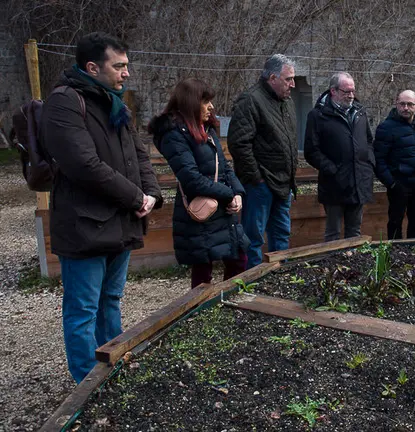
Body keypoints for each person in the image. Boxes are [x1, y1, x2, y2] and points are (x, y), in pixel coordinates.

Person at [40, 32, 162, 383]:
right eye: (119, 66)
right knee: (82, 310)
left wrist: (151, 192)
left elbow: (138, 153)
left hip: (118, 224)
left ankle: (113, 364)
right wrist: (135, 197)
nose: (127, 73)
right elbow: (84, 165)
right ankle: (86, 382)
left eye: (127, 66)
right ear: (92, 67)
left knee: (110, 300)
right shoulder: (64, 102)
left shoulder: (114, 102)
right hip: (84, 226)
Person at [148, 79, 249, 288]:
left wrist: (237, 192)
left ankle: (229, 304)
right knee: (203, 272)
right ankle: (201, 312)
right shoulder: (173, 135)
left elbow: (225, 167)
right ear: (190, 103)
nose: (211, 106)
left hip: (222, 210)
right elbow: (191, 179)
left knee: (239, 259)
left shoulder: (207, 130)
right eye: (205, 101)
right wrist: (228, 194)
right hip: (202, 214)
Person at [228, 54, 298, 268]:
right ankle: (255, 281)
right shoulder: (250, 100)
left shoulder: (286, 103)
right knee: (254, 237)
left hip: (284, 183)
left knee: (281, 235)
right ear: (273, 78)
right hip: (261, 184)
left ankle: (280, 276)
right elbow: (239, 143)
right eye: (288, 79)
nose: (293, 85)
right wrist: (256, 178)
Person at [304, 72, 375, 241]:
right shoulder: (318, 115)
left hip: (359, 182)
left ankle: (353, 265)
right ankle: (331, 266)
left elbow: (369, 141)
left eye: (353, 91)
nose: (351, 95)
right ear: (333, 91)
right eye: (346, 91)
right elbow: (311, 151)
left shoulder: (360, 112)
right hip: (334, 184)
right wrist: (332, 169)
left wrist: (368, 163)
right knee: (333, 233)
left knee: (355, 232)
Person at [374, 90, 415, 239]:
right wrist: (392, 183)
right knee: (395, 223)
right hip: (398, 183)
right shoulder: (386, 128)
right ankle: (394, 257)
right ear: (396, 105)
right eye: (402, 104)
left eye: (409, 104)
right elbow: (379, 160)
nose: (405, 108)